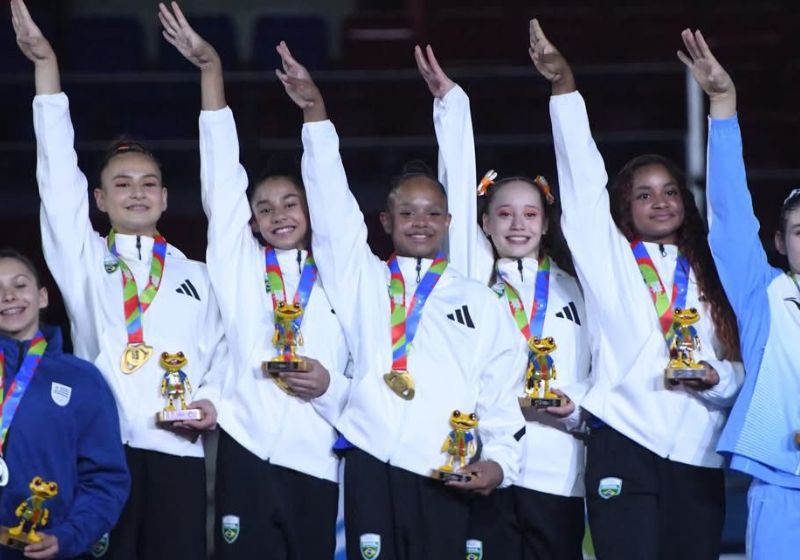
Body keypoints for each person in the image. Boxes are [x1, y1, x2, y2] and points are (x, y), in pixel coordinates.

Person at [275, 42, 527, 559]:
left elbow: (499, 395)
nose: (420, 222)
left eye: (433, 213)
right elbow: (331, 203)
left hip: (447, 471)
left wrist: (500, 462)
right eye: (407, 213)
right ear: (386, 223)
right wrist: (314, 114)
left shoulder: (479, 301)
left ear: (450, 223)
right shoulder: (361, 279)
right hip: (370, 464)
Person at [12, 0, 227, 557]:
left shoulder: (198, 275)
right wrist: (46, 72)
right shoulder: (83, 258)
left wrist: (209, 402)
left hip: (177, 450)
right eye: (123, 183)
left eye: (149, 182)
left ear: (164, 197)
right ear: (100, 199)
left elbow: (223, 350)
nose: (137, 192)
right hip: (98, 453)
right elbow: (57, 175)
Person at [529, 19, 744, 559]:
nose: (661, 202)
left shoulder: (715, 270)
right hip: (622, 444)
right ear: (624, 204)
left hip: (699, 453)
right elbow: (580, 181)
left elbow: (741, 362)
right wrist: (564, 88)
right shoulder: (611, 260)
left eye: (670, 191)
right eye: (644, 194)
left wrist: (717, 380)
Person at [158, 3, 351, 558]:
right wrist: (210, 73)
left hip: (318, 458)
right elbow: (221, 181)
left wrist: (314, 110)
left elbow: (360, 371)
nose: (279, 213)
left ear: (310, 210)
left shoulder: (342, 274)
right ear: (252, 220)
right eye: (264, 207)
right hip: (244, 452)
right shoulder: (241, 270)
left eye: (291, 202)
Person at [415, 45, 590, 559]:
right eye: (504, 214)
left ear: (546, 222)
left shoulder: (574, 290)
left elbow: (593, 374)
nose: (517, 225)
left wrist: (574, 410)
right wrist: (450, 106)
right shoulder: (471, 277)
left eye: (530, 215)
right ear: (483, 224)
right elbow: (456, 182)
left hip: (559, 474)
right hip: (483, 463)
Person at [679, 28, 800, 559]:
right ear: (779, 242)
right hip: (780, 480)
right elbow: (728, 219)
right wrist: (723, 106)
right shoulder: (764, 295)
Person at [0, 249, 129, 560]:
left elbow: (105, 477)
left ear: (42, 297)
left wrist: (69, 535)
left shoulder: (83, 379)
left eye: (20, 285)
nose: (8, 296)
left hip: (52, 546)